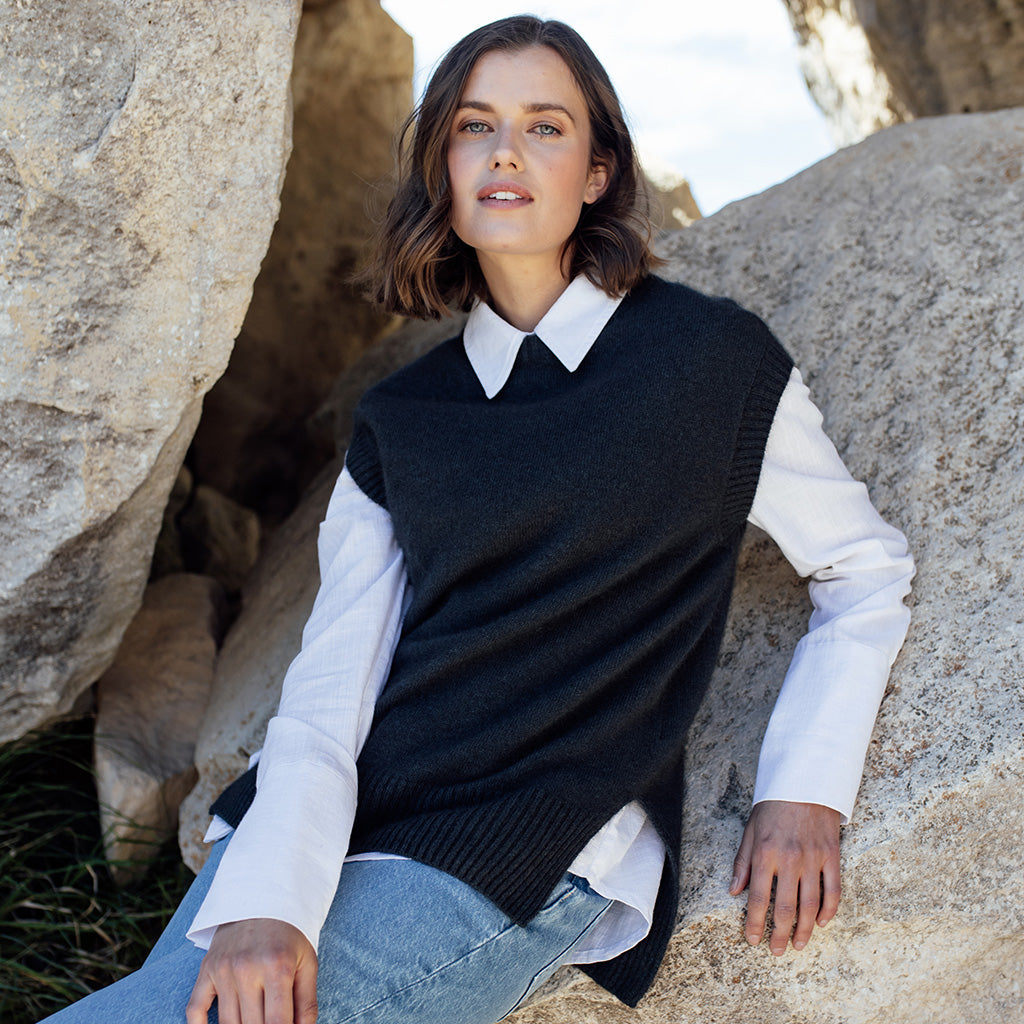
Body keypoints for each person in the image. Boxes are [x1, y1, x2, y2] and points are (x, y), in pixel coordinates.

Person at [42, 15, 913, 1024]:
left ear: (597, 171)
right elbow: (330, 687)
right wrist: (268, 899)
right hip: (329, 822)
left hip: (525, 844)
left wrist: (803, 791)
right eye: (473, 126)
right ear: (442, 170)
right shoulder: (404, 418)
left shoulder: (710, 363)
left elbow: (863, 571)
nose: (504, 151)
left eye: (545, 126)